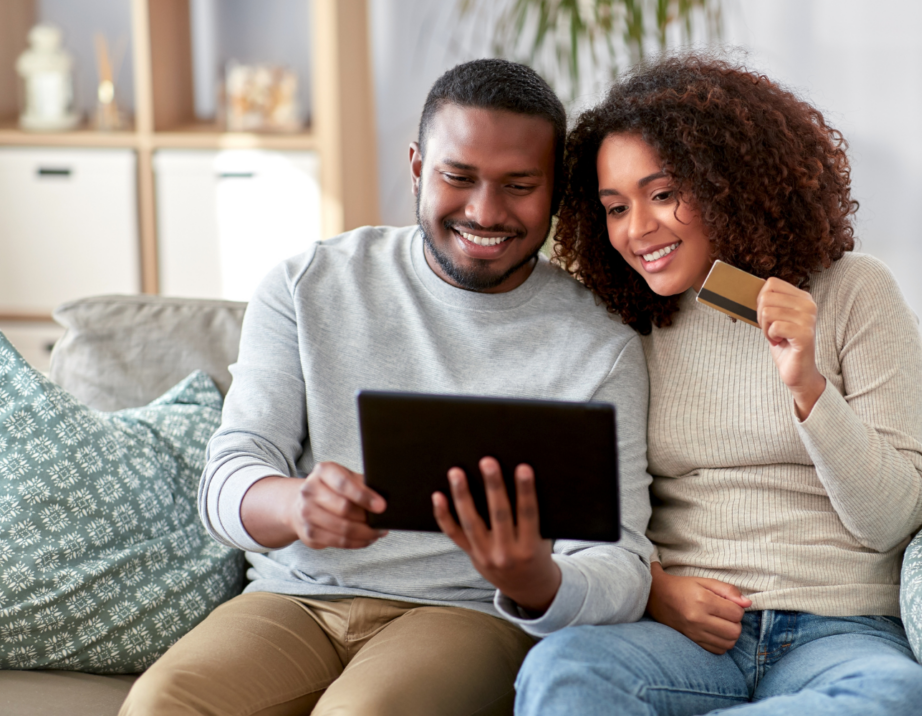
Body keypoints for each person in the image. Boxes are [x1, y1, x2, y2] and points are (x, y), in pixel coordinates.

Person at [120, 59, 654, 716]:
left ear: (556, 190)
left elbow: (621, 564)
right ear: (417, 168)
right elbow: (229, 473)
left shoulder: (598, 344)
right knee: (160, 703)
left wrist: (535, 579)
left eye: (519, 186)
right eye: (458, 177)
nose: (485, 212)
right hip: (295, 600)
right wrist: (294, 505)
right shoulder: (306, 285)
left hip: (469, 614)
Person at [515, 54, 922, 715]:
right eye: (615, 207)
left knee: (904, 698)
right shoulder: (626, 323)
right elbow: (591, 512)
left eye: (664, 194)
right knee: (561, 672)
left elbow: (892, 520)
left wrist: (806, 384)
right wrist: (655, 588)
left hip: (838, 631)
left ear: (730, 184)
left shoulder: (857, 292)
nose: (637, 229)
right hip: (685, 637)